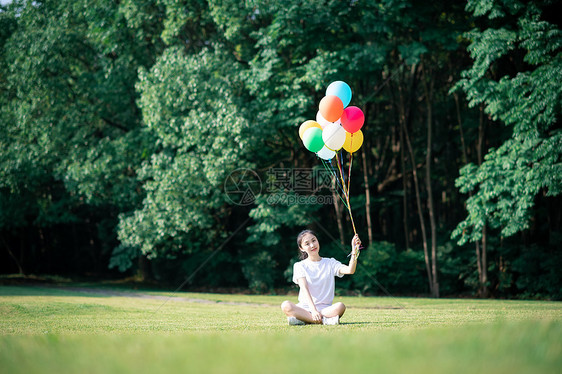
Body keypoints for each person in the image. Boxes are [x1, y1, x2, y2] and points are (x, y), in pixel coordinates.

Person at [280, 229, 361, 325]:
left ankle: (303, 319)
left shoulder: (330, 262)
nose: (312, 245)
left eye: (314, 240)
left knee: (340, 306)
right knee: (286, 305)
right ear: (301, 248)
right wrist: (313, 311)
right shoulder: (299, 265)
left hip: (325, 310)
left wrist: (354, 250)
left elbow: (350, 270)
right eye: (307, 244)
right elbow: (304, 289)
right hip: (305, 308)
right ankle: (323, 321)